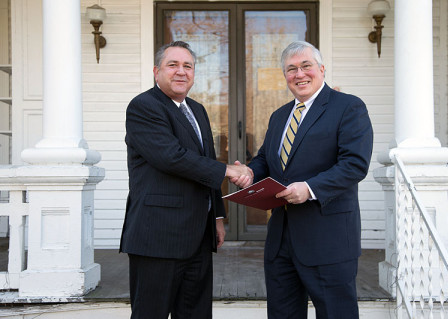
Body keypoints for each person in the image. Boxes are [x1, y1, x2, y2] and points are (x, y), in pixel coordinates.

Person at [120, 41, 252, 319]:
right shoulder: (143, 106)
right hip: (157, 237)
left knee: (196, 314)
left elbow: (206, 161)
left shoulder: (197, 109)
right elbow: (171, 157)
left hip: (198, 238)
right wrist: (229, 171)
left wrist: (216, 216)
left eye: (188, 66)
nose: (181, 72)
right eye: (173, 65)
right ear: (157, 72)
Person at [247, 41, 374, 318]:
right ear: (285, 76)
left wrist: (310, 188)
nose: (299, 74)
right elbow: (266, 160)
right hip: (281, 241)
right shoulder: (280, 116)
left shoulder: (348, 107)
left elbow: (354, 164)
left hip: (328, 239)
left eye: (306, 66)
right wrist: (250, 173)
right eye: (291, 69)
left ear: (322, 69)